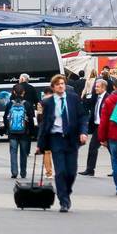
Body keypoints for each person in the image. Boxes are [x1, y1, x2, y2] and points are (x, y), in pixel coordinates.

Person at [36, 74, 86, 212]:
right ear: (53, 87)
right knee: (61, 171)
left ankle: (66, 191)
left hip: (71, 138)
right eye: (57, 84)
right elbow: (44, 124)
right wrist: (40, 144)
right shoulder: (48, 102)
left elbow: (82, 116)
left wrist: (83, 132)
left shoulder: (73, 99)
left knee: (71, 171)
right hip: (56, 138)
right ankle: (63, 200)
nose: (60, 86)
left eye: (62, 83)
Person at [3, 83, 36, 179]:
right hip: (24, 133)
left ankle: (14, 172)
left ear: (13, 92)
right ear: (23, 92)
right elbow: (30, 118)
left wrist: (7, 129)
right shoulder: (27, 104)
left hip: (12, 133)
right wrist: (32, 132)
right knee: (23, 153)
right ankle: (23, 172)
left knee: (13, 152)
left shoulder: (10, 104)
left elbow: (5, 117)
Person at [80, 78, 108, 176]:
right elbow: (85, 103)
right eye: (95, 86)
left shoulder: (108, 98)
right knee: (92, 147)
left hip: (106, 127)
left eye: (97, 87)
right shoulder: (96, 97)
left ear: (103, 88)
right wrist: (88, 90)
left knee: (112, 149)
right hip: (97, 126)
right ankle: (90, 169)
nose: (95, 88)